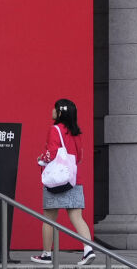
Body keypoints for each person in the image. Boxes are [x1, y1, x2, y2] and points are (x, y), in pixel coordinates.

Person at [31, 98, 94, 265]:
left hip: (56, 181)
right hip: (73, 179)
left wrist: (40, 159)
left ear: (60, 112)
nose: (52, 110)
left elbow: (51, 152)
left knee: (49, 218)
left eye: (55, 108)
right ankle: (88, 250)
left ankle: (46, 254)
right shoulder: (76, 132)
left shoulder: (55, 129)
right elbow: (79, 157)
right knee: (77, 217)